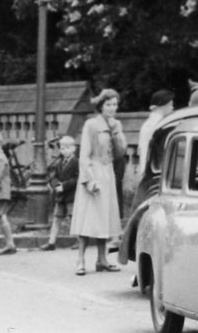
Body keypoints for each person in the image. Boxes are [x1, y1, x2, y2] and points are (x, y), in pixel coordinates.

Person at [72, 87, 126, 274]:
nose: (112, 108)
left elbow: (120, 154)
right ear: (101, 106)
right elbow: (84, 154)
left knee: (105, 217)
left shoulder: (115, 125)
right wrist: (89, 180)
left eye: (115, 104)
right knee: (88, 218)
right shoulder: (91, 125)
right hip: (94, 171)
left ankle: (102, 259)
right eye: (108, 104)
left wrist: (117, 133)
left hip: (108, 172)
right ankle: (80, 259)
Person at [41, 134, 79, 250]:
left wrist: (64, 186)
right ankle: (51, 242)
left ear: (74, 149)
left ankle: (79, 240)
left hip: (71, 195)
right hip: (60, 195)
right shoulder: (59, 162)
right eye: (62, 148)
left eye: (67, 148)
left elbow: (77, 178)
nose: (65, 151)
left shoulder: (76, 162)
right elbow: (54, 176)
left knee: (73, 217)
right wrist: (56, 185)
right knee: (56, 218)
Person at [137, 90, 173, 172]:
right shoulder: (161, 124)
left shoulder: (146, 124)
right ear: (163, 105)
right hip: (156, 170)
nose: (172, 108)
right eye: (170, 105)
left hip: (147, 169)